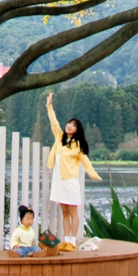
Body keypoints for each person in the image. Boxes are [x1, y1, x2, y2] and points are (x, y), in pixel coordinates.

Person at [46, 92, 101, 251]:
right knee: (64, 211)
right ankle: (65, 240)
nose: (69, 125)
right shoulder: (60, 138)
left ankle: (73, 242)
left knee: (73, 212)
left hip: (70, 181)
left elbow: (85, 161)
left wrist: (94, 175)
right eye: (69, 123)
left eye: (73, 125)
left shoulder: (77, 145)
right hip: (58, 181)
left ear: (77, 130)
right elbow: (54, 122)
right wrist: (49, 106)